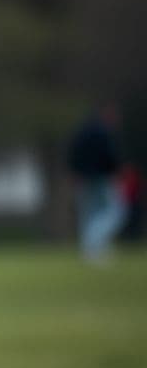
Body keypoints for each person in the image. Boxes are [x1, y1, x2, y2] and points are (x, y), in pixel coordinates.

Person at [66, 104, 127, 263]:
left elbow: (73, 153)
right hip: (102, 178)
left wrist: (75, 171)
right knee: (115, 212)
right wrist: (117, 172)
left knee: (89, 214)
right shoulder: (103, 133)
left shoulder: (82, 132)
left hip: (84, 178)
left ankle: (90, 249)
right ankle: (94, 243)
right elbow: (109, 156)